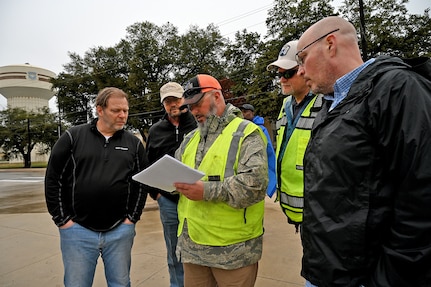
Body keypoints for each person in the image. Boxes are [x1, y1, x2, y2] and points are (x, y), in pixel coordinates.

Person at [296, 16, 431, 286]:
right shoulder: (334, 102)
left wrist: (386, 279)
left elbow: (421, 202)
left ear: (330, 44)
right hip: (328, 273)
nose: (299, 71)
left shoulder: (398, 89)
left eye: (302, 58)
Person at [45, 87, 149, 287]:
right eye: (116, 110)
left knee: (120, 283)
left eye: (125, 111)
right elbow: (53, 179)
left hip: (120, 230)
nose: (123, 115)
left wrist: (131, 218)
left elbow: (140, 183)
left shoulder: (134, 144)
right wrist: (62, 220)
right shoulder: (73, 137)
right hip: (77, 231)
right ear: (100, 110)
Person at [173, 74, 268, 287]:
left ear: (217, 96)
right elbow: (176, 172)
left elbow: (255, 185)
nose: (194, 111)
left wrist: (206, 191)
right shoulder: (191, 139)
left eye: (198, 103)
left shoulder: (246, 133)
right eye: (190, 106)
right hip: (193, 248)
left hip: (232, 252)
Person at [266, 40, 323, 232]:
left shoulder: (326, 103)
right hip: (294, 207)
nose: (281, 79)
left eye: (287, 73)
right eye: (279, 74)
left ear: (305, 69)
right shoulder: (286, 105)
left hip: (318, 210)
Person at [146, 82, 197, 287]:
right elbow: (148, 162)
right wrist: (156, 194)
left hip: (196, 196)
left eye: (176, 99)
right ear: (163, 104)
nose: (173, 104)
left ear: (184, 99)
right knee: (174, 251)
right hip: (168, 200)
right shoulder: (156, 130)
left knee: (199, 249)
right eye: (168, 101)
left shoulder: (197, 123)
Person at [239, 103, 277, 198]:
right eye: (242, 112)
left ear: (252, 113)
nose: (244, 114)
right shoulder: (240, 128)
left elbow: (267, 147)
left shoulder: (260, 128)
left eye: (246, 111)